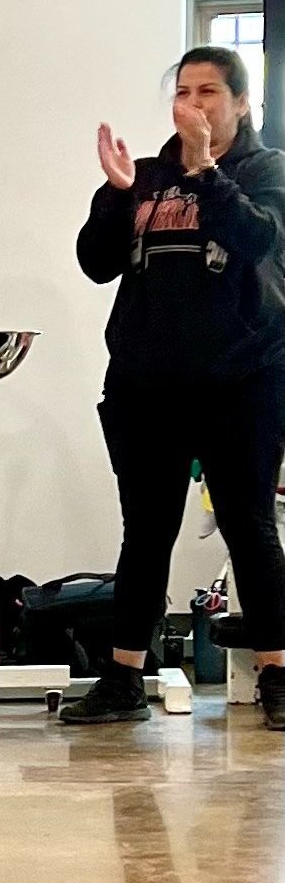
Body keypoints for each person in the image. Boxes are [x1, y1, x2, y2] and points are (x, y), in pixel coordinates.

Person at [69, 45, 285, 728]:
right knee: (146, 531)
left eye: (209, 92)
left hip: (242, 378)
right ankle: (124, 676)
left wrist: (206, 171)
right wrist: (112, 195)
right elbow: (95, 264)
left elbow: (258, 239)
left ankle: (277, 674)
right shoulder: (146, 176)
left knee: (249, 528)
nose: (193, 104)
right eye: (182, 91)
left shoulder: (267, 169)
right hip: (144, 386)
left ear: (241, 103)